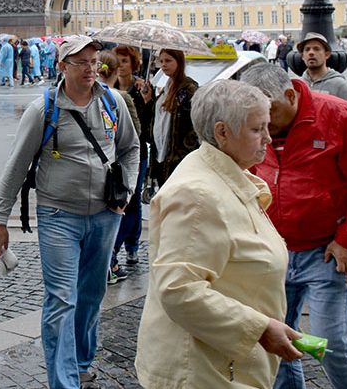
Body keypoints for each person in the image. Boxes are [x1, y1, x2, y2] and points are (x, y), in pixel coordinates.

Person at [0, 35, 139, 389]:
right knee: (61, 298)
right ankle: (64, 381)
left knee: (91, 295)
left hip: (106, 214)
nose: (91, 69)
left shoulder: (112, 102)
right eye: (81, 63)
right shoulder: (43, 110)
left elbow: (131, 148)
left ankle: (83, 362)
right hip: (59, 217)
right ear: (62, 66)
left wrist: (128, 189)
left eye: (94, 62)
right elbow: (15, 166)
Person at [136, 80, 300, 388]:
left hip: (224, 366)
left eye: (267, 126)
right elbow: (179, 290)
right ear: (222, 132)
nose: (268, 137)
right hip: (205, 371)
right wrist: (260, 329)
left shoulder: (226, 178)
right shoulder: (198, 195)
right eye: (256, 129)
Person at [239, 63, 347, 389]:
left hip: (324, 250)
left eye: (270, 113)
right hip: (274, 250)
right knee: (276, 339)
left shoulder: (336, 115)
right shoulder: (257, 121)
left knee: (329, 342)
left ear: (290, 95)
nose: (264, 128)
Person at [97, 50, 141, 283]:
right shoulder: (120, 97)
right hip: (117, 169)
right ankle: (110, 262)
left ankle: (105, 263)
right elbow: (136, 135)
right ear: (114, 71)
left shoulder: (90, 94)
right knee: (120, 212)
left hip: (98, 166)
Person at [136, 49, 199, 186]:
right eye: (162, 61)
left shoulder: (189, 89)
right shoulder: (166, 88)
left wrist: (182, 153)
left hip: (177, 161)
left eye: (168, 61)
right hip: (161, 157)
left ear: (179, 62)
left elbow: (195, 125)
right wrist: (148, 100)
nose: (163, 65)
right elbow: (157, 120)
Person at [297, 32, 347, 104]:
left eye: (316, 49)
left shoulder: (340, 85)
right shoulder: (298, 85)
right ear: (302, 56)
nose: (311, 52)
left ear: (327, 54)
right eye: (307, 49)